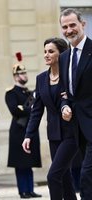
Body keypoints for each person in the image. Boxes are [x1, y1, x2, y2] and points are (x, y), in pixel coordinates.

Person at [22, 38, 78, 200]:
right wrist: (28, 135)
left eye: (51, 51)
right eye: (45, 51)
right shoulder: (41, 79)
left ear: (62, 54)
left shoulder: (71, 77)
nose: (46, 55)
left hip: (72, 133)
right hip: (53, 135)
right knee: (64, 177)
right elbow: (36, 110)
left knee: (53, 176)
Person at [59, 8, 92, 200]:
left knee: (87, 175)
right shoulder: (63, 58)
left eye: (73, 25)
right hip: (76, 128)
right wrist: (65, 106)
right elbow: (66, 92)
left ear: (83, 24)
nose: (69, 30)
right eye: (65, 27)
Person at [5, 52, 42, 199]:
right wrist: (30, 109)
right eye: (21, 73)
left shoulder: (29, 92)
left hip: (30, 129)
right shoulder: (11, 93)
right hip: (19, 130)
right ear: (15, 76)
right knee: (21, 163)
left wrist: (29, 109)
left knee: (30, 162)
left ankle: (30, 189)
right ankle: (23, 190)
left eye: (25, 72)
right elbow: (15, 109)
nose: (24, 75)